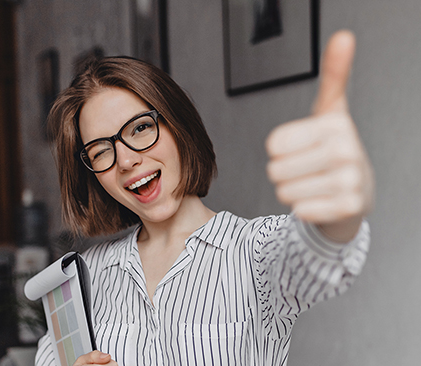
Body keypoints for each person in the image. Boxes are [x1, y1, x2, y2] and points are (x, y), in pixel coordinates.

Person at [35, 30, 374, 366]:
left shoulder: (254, 252)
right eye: (100, 151)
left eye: (140, 128)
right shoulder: (84, 277)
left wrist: (342, 202)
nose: (125, 161)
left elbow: (320, 250)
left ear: (177, 125)